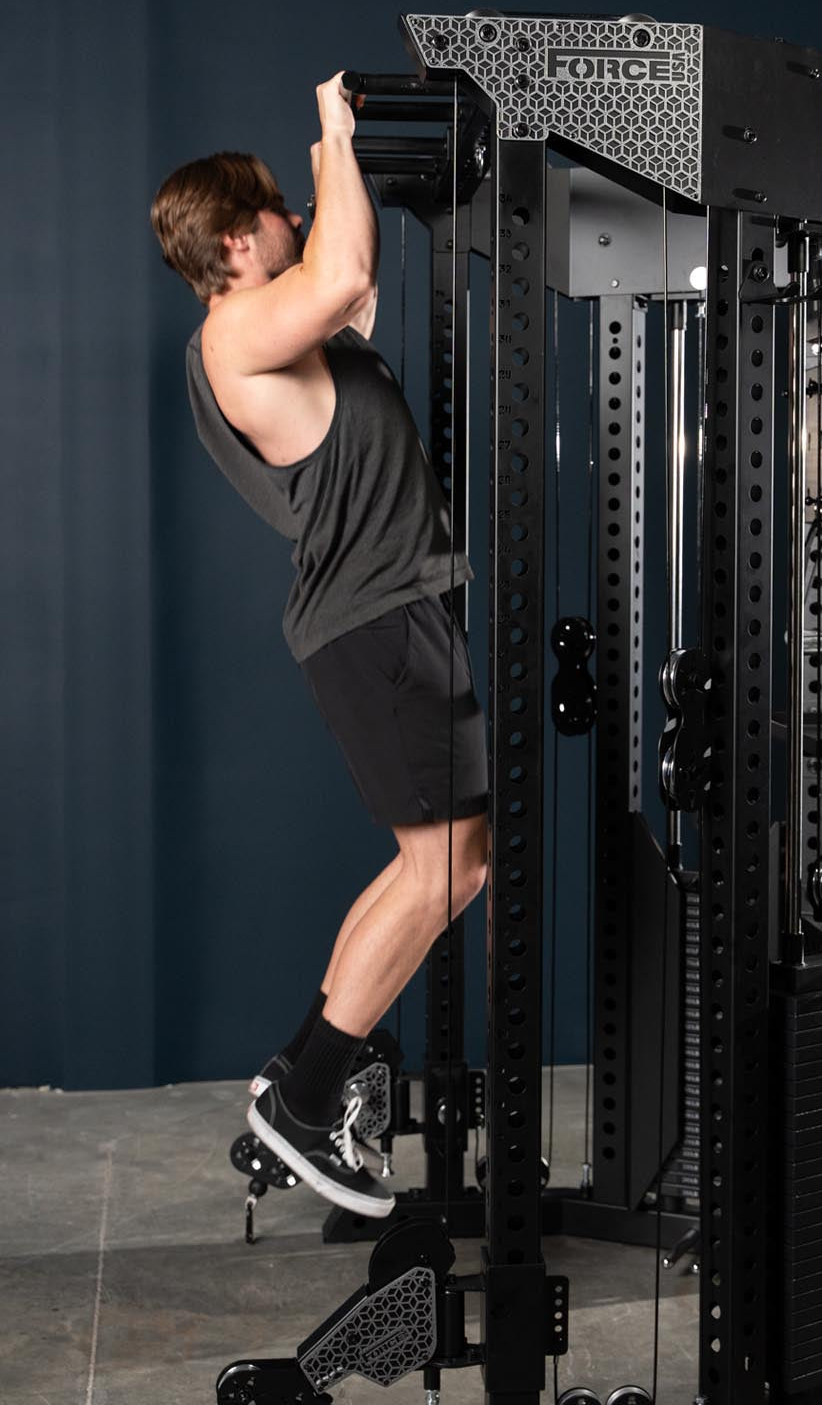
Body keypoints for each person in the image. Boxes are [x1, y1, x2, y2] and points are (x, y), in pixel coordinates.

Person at [150, 72, 489, 1218]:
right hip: (377, 619)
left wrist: (336, 172)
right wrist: (332, 129)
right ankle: (303, 1109)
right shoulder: (238, 328)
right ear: (238, 240)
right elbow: (342, 274)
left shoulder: (278, 330)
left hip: (389, 612)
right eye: (277, 208)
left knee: (432, 862)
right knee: (450, 870)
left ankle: (299, 1073)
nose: (298, 212)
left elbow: (353, 282)